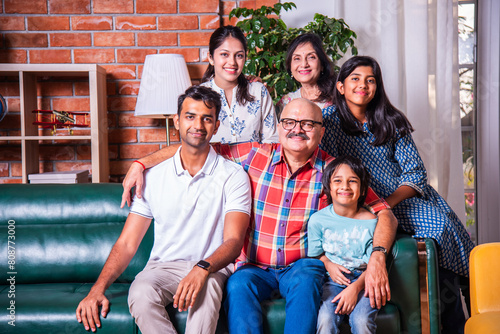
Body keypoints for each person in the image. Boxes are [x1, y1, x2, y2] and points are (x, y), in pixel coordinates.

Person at [120, 98, 398, 333]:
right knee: (239, 285)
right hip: (254, 266)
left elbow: (385, 213)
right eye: (289, 122)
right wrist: (141, 162)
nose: (297, 130)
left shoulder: (335, 171)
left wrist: (377, 255)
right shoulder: (253, 156)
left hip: (299, 265)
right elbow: (195, 145)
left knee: (307, 277)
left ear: (321, 132)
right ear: (279, 127)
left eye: (308, 124)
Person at [76, 85, 251, 334]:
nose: (198, 125)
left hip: (210, 267)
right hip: (163, 267)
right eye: (190, 116)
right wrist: (97, 289)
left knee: (209, 290)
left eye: (207, 118)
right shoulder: (153, 177)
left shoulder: (233, 175)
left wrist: (202, 268)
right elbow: (127, 243)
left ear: (216, 126)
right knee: (140, 292)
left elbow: (234, 241)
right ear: (176, 121)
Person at [324, 55, 474, 334]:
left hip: (403, 197)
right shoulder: (329, 122)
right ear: (341, 86)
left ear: (377, 87)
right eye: (355, 79)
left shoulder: (391, 120)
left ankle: (457, 314)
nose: (363, 85)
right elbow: (327, 167)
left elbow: (415, 173)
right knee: (439, 230)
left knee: (442, 228)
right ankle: (452, 318)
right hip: (359, 199)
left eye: (370, 80)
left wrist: (385, 204)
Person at [309, 155, 379, 334]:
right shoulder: (318, 220)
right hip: (332, 282)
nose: (345, 186)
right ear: (329, 188)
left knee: (362, 321)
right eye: (338, 180)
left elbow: (375, 265)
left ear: (363, 189)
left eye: (352, 181)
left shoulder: (372, 222)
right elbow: (316, 254)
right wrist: (329, 264)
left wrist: (355, 288)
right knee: (325, 319)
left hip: (365, 282)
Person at [201, 25, 278, 144]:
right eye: (224, 54)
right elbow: (195, 143)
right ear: (211, 58)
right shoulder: (199, 96)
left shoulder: (258, 91)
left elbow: (272, 139)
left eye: (239, 55)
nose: (232, 62)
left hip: (256, 162)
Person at [277, 33, 335, 114]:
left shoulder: (337, 97)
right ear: (290, 66)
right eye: (297, 58)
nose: (304, 64)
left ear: (322, 64)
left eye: (311, 57)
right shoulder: (285, 102)